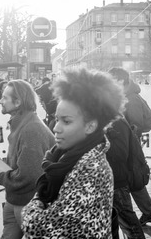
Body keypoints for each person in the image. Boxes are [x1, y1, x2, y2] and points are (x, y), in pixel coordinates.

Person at [22, 68, 124, 238]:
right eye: (57, 118)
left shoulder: (91, 170)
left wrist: (32, 207)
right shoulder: (65, 155)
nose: (55, 127)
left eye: (66, 121)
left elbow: (38, 226)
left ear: (90, 126)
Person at [0, 80, 55, 239]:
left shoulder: (31, 129)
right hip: (15, 200)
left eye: (5, 98)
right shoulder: (21, 124)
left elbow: (29, 177)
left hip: (28, 203)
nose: (0, 101)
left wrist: (0, 175)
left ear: (18, 102)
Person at [108, 67, 151, 226]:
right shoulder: (125, 96)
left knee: (134, 179)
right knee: (132, 180)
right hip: (127, 144)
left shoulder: (131, 99)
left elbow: (135, 126)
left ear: (121, 81)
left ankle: (149, 213)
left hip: (129, 146)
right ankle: (148, 212)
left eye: (112, 80)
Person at [106, 118, 146, 238]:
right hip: (105, 183)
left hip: (117, 182)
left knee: (130, 226)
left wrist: (100, 138)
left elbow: (120, 153)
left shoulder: (116, 122)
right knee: (112, 227)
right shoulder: (96, 121)